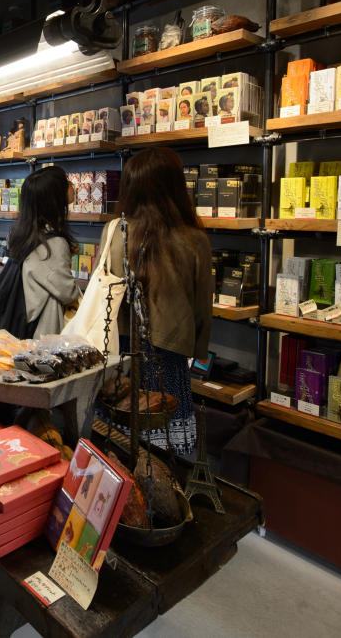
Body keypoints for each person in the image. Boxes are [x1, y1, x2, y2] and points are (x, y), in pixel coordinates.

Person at [101, 148, 212, 454]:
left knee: (115, 443)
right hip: (170, 355)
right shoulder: (194, 240)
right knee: (167, 451)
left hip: (120, 353)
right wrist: (198, 352)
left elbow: (102, 289)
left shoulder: (113, 231)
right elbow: (203, 308)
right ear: (175, 186)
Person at [0, 166, 79, 339]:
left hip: (21, 330)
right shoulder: (53, 244)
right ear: (54, 196)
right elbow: (68, 292)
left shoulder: (21, 234)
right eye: (67, 182)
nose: (72, 185)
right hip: (41, 335)